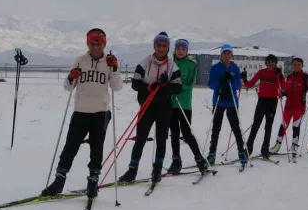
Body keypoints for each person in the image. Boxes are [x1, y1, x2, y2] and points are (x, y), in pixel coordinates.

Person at [41, 29, 122, 198]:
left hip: (101, 112)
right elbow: (68, 86)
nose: (95, 47)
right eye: (92, 43)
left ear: (103, 44)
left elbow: (117, 87)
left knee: (96, 148)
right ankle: (59, 180)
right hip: (80, 111)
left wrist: (115, 69)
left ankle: (93, 180)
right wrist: (71, 77)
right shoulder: (80, 60)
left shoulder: (109, 62)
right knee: (70, 147)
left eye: (98, 43)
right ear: (87, 44)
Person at [118, 32, 182, 184]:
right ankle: (132, 170)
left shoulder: (172, 65)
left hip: (164, 108)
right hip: (147, 106)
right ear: (154, 46)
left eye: (164, 45)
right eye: (158, 45)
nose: (161, 48)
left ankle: (157, 170)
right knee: (140, 138)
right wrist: (148, 87)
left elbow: (178, 87)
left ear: (168, 47)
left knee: (161, 139)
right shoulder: (145, 62)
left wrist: (165, 86)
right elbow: (135, 83)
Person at [167, 39, 209, 175]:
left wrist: (179, 87)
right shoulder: (169, 63)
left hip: (184, 104)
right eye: (178, 48)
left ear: (187, 50)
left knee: (186, 133)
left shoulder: (192, 65)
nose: (180, 51)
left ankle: (200, 160)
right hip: (171, 103)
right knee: (174, 133)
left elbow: (191, 83)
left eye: (183, 49)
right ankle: (176, 161)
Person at [206, 44, 248, 167]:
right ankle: (212, 153)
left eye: (229, 53)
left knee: (236, 127)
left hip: (231, 101)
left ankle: (241, 151)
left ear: (231, 55)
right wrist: (219, 83)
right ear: (221, 55)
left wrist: (232, 79)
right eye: (224, 53)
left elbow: (238, 86)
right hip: (219, 101)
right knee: (216, 128)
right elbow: (210, 84)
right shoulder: (215, 68)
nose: (227, 55)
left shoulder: (235, 68)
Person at [241, 54, 285, 159]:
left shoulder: (277, 73)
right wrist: (244, 79)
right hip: (262, 101)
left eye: (273, 62)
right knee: (256, 125)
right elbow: (249, 84)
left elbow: (283, 86)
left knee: (268, 127)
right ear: (266, 63)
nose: (271, 64)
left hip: (272, 102)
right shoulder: (261, 72)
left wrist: (280, 75)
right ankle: (248, 148)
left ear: (275, 63)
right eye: (269, 62)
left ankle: (265, 150)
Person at [271, 57, 308, 157]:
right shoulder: (289, 77)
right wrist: (282, 93)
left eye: (298, 65)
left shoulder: (305, 77)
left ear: (302, 66)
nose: (296, 66)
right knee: (283, 125)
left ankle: (294, 146)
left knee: (295, 126)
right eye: (294, 65)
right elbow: (287, 90)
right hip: (288, 106)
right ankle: (277, 145)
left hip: (299, 107)